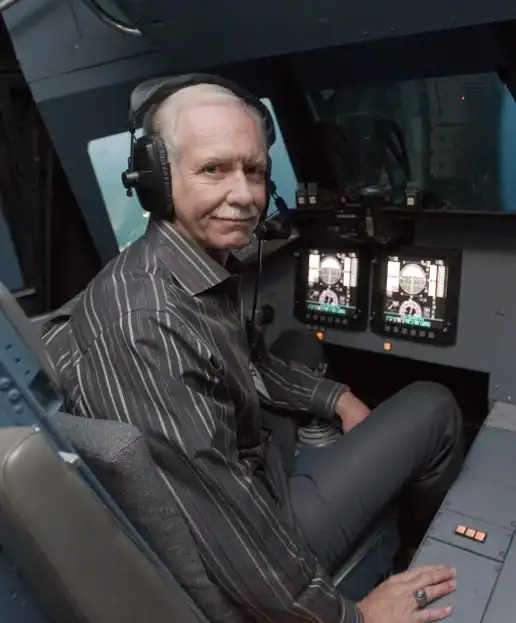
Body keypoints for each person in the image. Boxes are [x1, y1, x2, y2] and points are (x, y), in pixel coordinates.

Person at [43, 77, 463, 623]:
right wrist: (355, 617)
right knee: (434, 405)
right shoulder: (150, 329)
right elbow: (232, 540)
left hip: (245, 472)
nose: (244, 196)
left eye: (255, 170)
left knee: (296, 343)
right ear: (155, 179)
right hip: (258, 546)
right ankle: (413, 553)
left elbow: (249, 361)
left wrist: (336, 398)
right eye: (214, 169)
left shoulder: (166, 270)